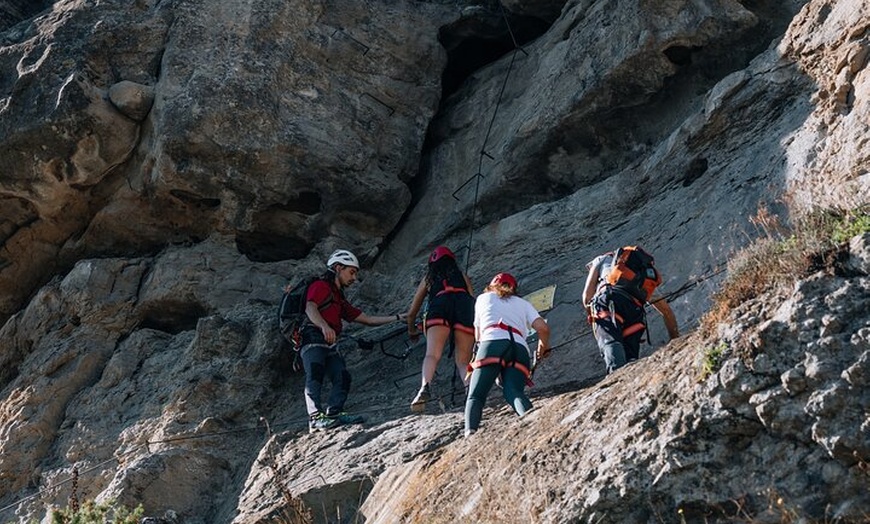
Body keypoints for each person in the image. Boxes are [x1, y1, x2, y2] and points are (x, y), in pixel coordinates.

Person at [301, 249, 405, 432]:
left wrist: (398, 317)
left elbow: (367, 319)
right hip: (312, 337)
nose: (354, 278)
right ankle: (315, 418)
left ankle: (334, 413)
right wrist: (324, 326)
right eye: (351, 272)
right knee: (315, 374)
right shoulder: (321, 286)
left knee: (342, 376)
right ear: (338, 268)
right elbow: (310, 307)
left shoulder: (338, 298)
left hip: (329, 341)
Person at [464, 272, 550, 437]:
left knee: (476, 395)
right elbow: (543, 329)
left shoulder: (483, 298)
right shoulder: (523, 303)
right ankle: (533, 424)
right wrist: (543, 347)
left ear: (491, 286)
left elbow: (478, 336)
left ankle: (470, 434)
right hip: (519, 348)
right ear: (514, 289)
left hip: (492, 342)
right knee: (514, 391)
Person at [582, 246, 679, 374]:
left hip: (608, 301)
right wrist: (675, 341)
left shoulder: (600, 260)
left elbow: (586, 297)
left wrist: (593, 318)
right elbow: (666, 311)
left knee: (611, 344)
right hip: (634, 310)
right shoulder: (637, 275)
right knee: (630, 360)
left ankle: (616, 378)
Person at [405, 246, 475, 412]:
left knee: (432, 355)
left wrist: (411, 330)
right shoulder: (462, 276)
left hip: (439, 307)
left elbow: (412, 312)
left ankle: (424, 387)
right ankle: (471, 392)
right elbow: (472, 298)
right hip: (464, 308)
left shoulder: (429, 279)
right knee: (463, 361)